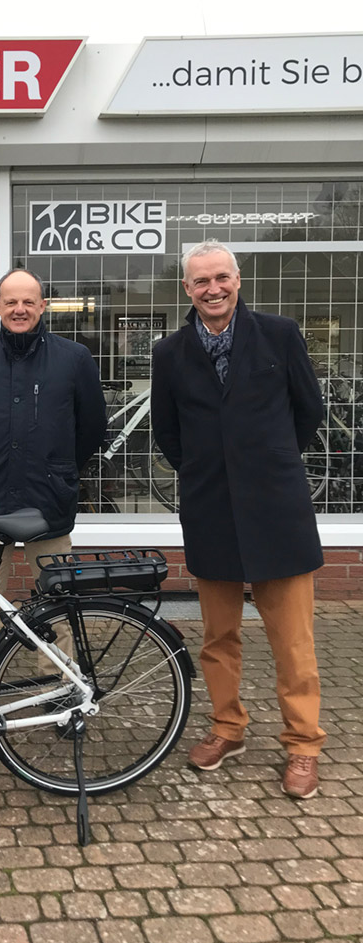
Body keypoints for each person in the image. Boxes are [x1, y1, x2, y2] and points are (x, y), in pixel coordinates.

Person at [151, 239, 326, 799]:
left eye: (221, 277)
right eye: (201, 281)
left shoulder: (279, 334)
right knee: (218, 636)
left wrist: (270, 461)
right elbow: (167, 432)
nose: (213, 288)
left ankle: (302, 744)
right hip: (210, 509)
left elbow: (309, 412)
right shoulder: (170, 353)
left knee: (292, 639)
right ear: (187, 289)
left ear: (238, 279)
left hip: (278, 507)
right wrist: (209, 471)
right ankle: (229, 727)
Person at [0, 268, 107, 672]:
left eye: (28, 302)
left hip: (49, 498)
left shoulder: (74, 359)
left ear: (42, 306)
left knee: (58, 598)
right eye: (11, 302)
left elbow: (92, 428)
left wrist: (61, 468)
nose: (20, 309)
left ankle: (60, 683)